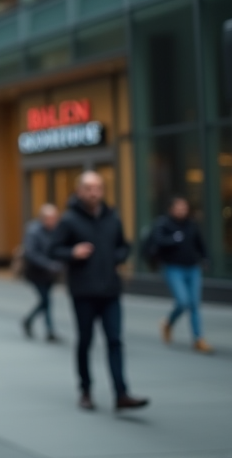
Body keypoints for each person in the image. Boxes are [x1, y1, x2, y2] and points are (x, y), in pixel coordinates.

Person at [51, 172, 149, 412]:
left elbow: (123, 246)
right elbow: (53, 249)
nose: (94, 193)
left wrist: (117, 257)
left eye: (98, 188)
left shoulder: (112, 218)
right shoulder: (69, 220)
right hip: (83, 291)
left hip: (110, 290)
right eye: (89, 188)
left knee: (115, 340)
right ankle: (85, 390)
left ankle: (121, 393)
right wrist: (72, 252)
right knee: (85, 341)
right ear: (79, 191)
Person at [150, 196, 212, 354]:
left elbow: (200, 242)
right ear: (171, 209)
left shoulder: (192, 224)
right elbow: (157, 242)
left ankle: (198, 339)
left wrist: (205, 258)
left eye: (184, 207)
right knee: (183, 301)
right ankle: (168, 323)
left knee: (194, 304)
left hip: (193, 268)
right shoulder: (164, 224)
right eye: (178, 207)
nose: (182, 210)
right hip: (173, 268)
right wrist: (173, 239)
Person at [21, 204, 63, 342]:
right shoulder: (34, 231)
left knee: (46, 301)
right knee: (46, 300)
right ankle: (48, 330)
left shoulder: (56, 230)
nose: (53, 221)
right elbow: (31, 253)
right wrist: (49, 264)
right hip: (36, 272)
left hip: (49, 273)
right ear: (43, 219)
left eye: (55, 218)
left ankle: (31, 321)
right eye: (50, 218)